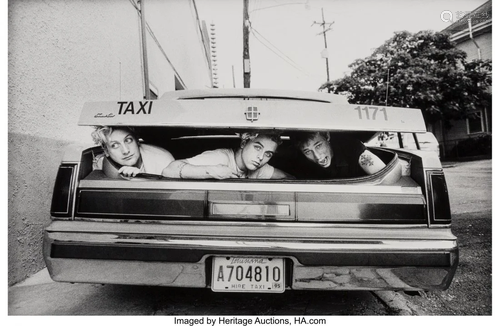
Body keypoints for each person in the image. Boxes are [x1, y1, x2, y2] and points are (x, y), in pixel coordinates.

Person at [162, 131, 292, 179]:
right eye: (257, 148)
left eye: (268, 154)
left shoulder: (259, 168)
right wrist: (211, 171)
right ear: (244, 142)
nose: (261, 157)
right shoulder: (220, 157)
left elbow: (289, 177)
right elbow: (169, 170)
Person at [291, 131, 386, 179]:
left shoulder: (351, 148)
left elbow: (387, 177)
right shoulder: (301, 163)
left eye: (318, 146)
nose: (317, 157)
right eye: (308, 152)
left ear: (327, 137)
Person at [91, 126, 174, 178]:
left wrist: (143, 178)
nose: (126, 151)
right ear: (106, 151)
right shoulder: (100, 166)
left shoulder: (163, 160)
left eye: (128, 140)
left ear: (137, 141)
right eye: (115, 145)